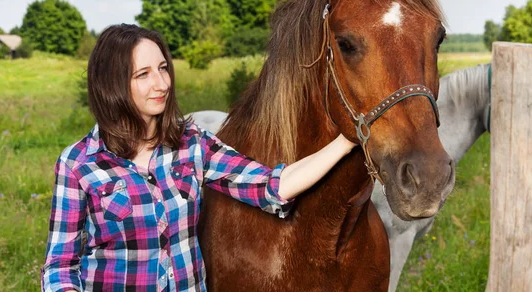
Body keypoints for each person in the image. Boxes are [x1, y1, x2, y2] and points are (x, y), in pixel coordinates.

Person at [41, 24, 357, 292]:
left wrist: (347, 139)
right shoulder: (78, 164)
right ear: (112, 85)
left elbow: (273, 186)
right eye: (143, 74)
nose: (161, 84)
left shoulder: (191, 144)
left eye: (164, 68)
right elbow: (59, 265)